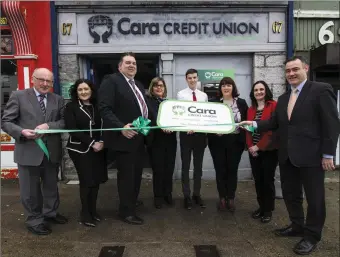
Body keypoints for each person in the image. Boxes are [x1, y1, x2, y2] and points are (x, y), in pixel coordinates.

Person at [240, 56, 340, 255]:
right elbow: (274, 122)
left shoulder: (320, 90)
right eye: (288, 71)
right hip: (287, 156)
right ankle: (297, 226)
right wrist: (253, 124)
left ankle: (311, 236)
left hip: (312, 156)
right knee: (291, 195)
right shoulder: (285, 98)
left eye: (295, 69)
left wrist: (328, 154)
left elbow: (332, 124)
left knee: (315, 198)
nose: (291, 74)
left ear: (305, 68)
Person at [1, 68, 68, 235]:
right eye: (41, 80)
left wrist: (49, 126)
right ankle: (34, 220)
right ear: (33, 79)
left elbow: (64, 121)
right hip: (28, 151)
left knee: (51, 186)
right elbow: (7, 121)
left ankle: (50, 213)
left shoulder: (58, 99)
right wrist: (21, 132)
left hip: (51, 151)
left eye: (49, 81)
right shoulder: (19, 96)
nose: (45, 84)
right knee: (30, 190)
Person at [98, 52, 152, 225]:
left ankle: (132, 202)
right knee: (127, 177)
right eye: (128, 63)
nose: (131, 66)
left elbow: (144, 108)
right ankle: (126, 212)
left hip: (138, 138)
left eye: (134, 63)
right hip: (124, 138)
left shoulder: (137, 84)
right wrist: (121, 126)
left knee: (136, 175)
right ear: (120, 66)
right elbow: (104, 108)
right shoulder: (112, 81)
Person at [64, 79, 108, 227]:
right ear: (76, 92)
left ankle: (93, 211)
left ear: (91, 90)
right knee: (86, 181)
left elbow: (104, 126)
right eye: (80, 90)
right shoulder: (71, 107)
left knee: (96, 181)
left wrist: (102, 141)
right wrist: (91, 143)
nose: (83, 92)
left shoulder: (97, 106)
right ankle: (85, 214)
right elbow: (73, 129)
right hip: (80, 149)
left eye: (86, 89)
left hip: (98, 148)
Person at [207, 77, 248, 212]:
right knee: (220, 170)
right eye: (223, 85)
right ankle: (222, 198)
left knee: (232, 170)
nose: (226, 87)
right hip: (217, 142)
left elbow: (246, 122)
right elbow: (208, 122)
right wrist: (214, 132)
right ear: (220, 88)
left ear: (233, 87)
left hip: (235, 142)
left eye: (228, 85)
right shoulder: (213, 103)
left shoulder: (241, 103)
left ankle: (231, 197)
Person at [246, 80, 278, 223]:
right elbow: (248, 129)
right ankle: (261, 206)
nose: (259, 92)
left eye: (261, 89)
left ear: (266, 91)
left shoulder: (273, 106)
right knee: (258, 180)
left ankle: (268, 210)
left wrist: (258, 146)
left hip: (269, 150)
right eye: (256, 90)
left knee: (267, 181)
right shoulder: (251, 109)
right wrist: (250, 147)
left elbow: (273, 129)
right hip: (253, 151)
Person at [176, 68, 208, 210]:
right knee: (185, 167)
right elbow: (180, 114)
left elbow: (205, 114)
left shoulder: (203, 96)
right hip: (186, 135)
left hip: (200, 135)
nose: (192, 80)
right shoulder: (181, 94)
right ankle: (186, 196)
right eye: (190, 78)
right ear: (186, 79)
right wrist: (185, 125)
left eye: (194, 77)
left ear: (197, 78)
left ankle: (197, 194)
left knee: (198, 168)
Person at [146, 77, 177, 209]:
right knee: (158, 169)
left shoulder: (169, 103)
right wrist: (159, 126)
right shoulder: (148, 103)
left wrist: (173, 127)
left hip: (170, 140)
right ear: (152, 88)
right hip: (156, 140)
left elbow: (177, 119)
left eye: (161, 86)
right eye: (156, 86)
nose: (159, 88)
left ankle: (167, 194)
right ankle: (158, 196)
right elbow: (147, 120)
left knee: (169, 168)